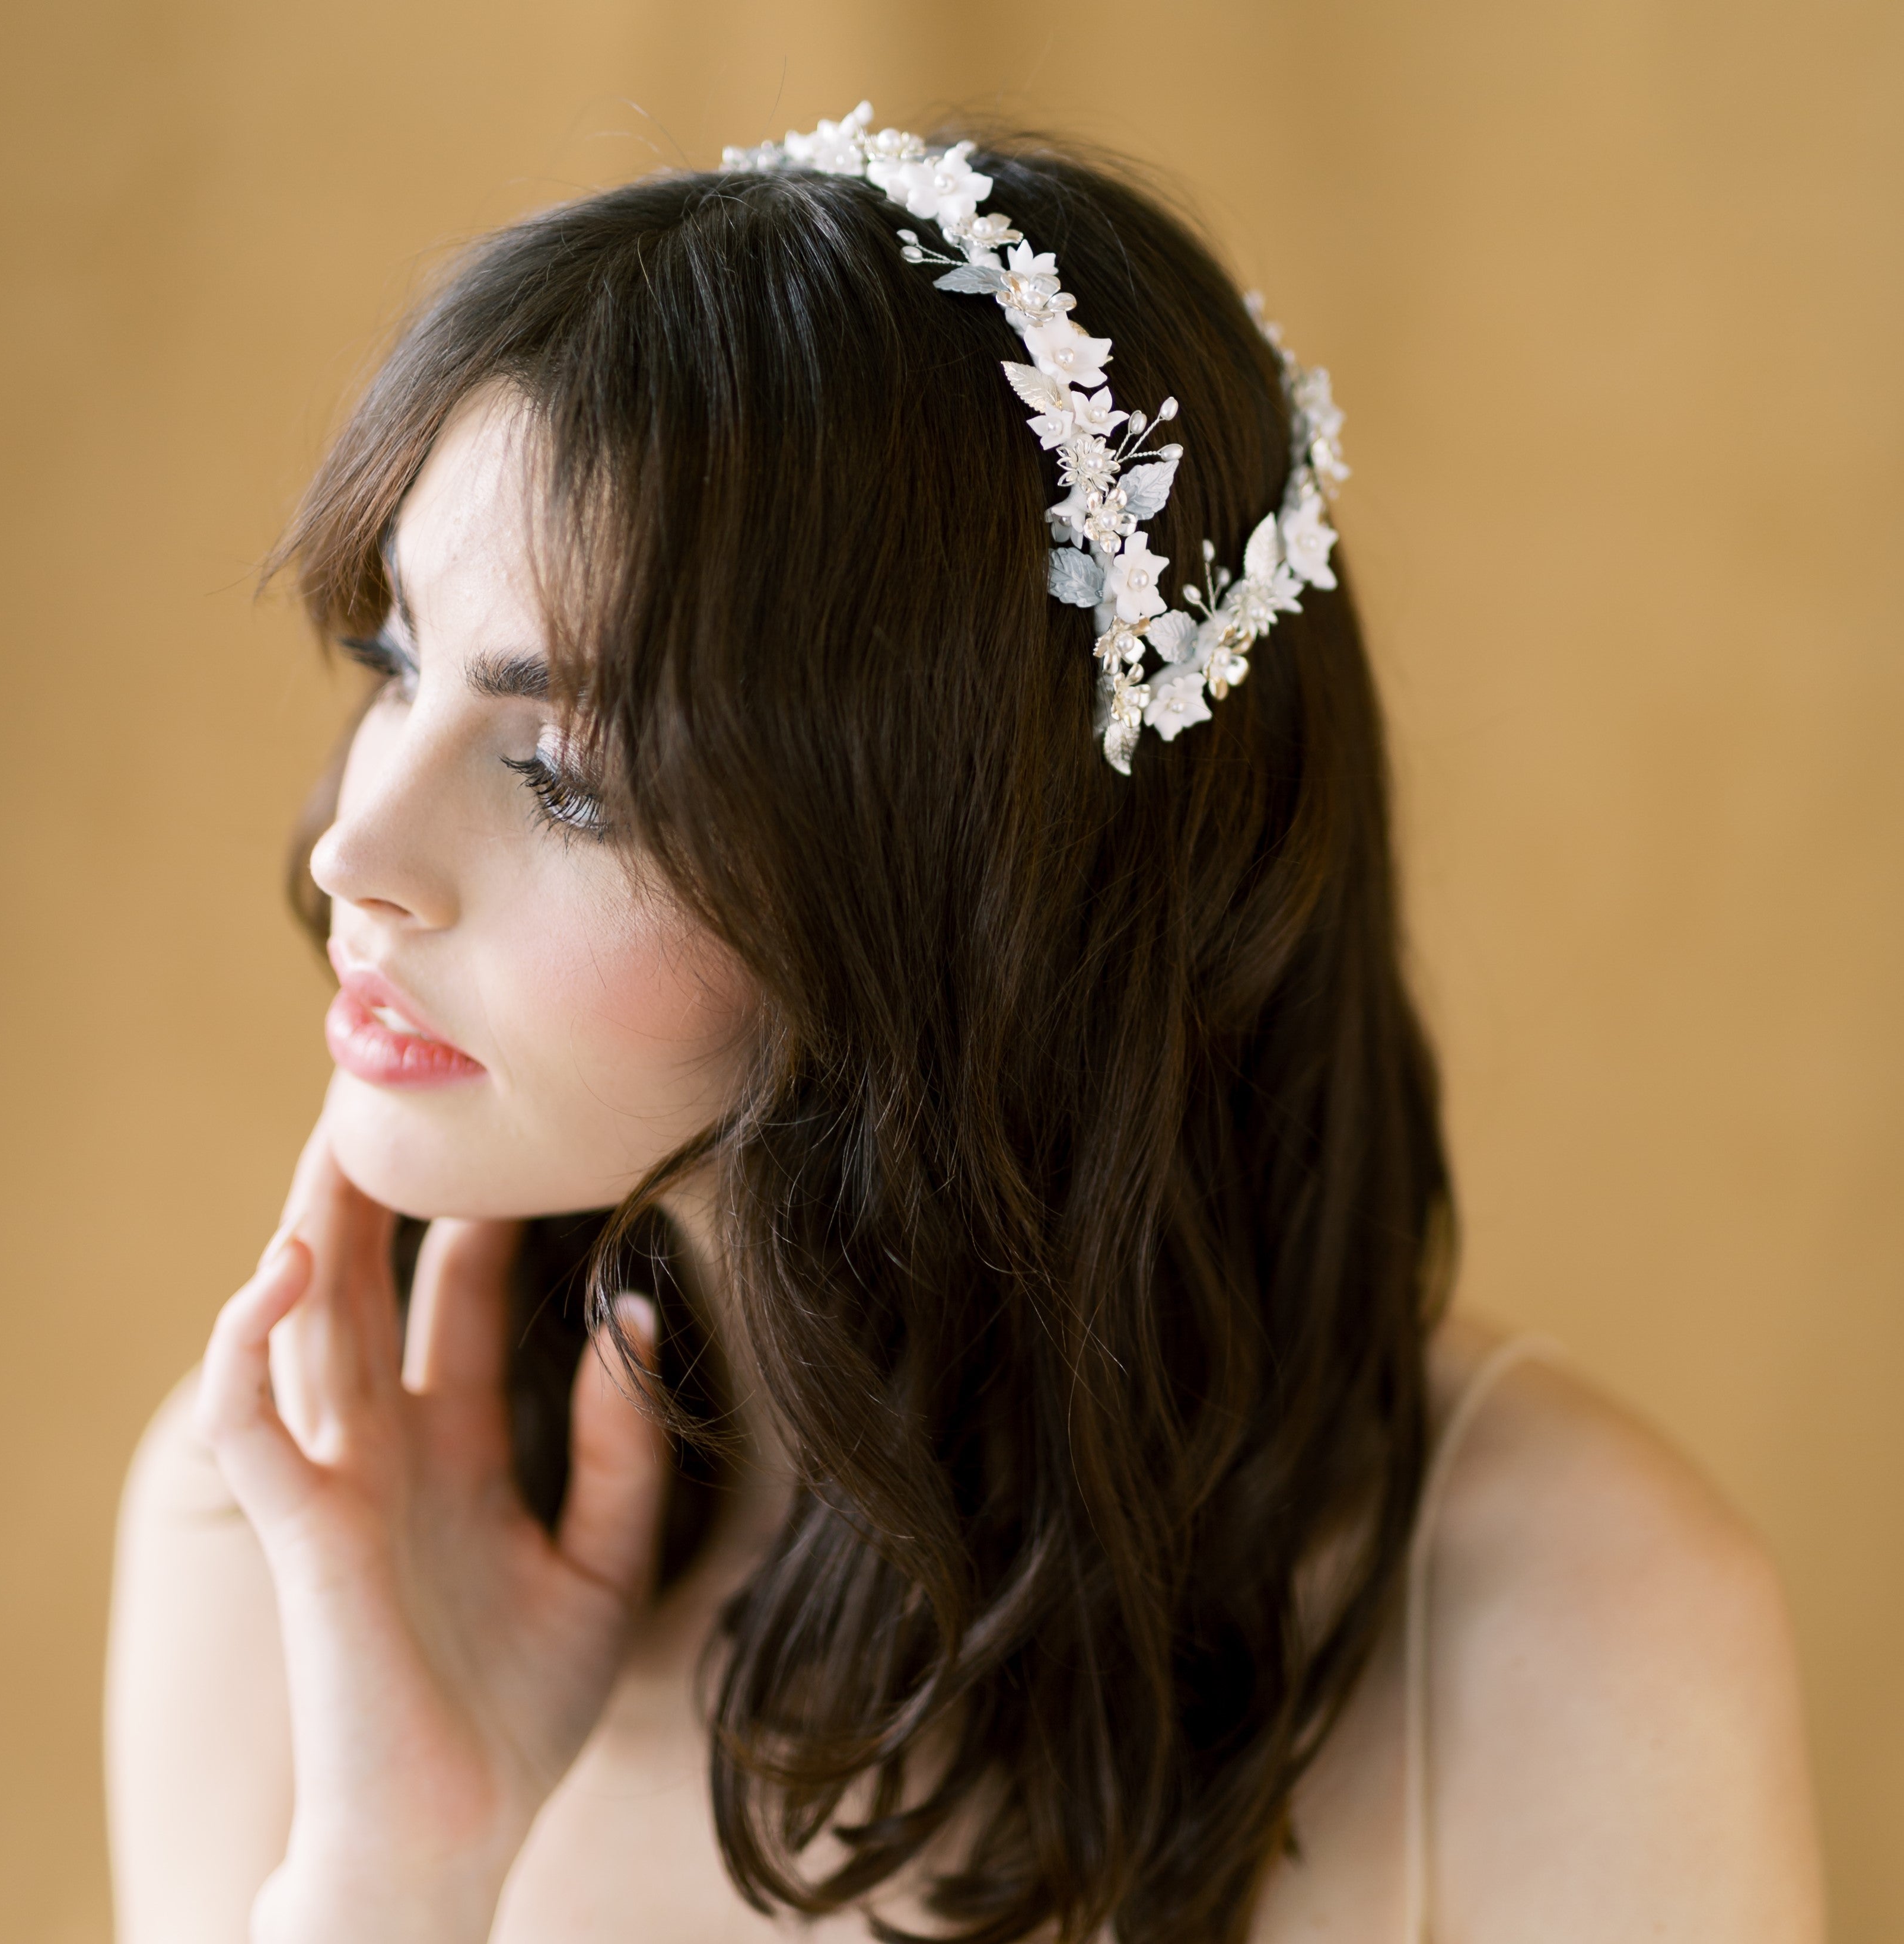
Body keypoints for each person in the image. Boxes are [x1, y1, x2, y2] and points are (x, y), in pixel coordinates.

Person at [105, 110, 1824, 1944]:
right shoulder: (281, 1531)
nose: (359, 847)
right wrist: (391, 1877)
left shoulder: (1564, 1632)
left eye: (566, 771)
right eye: (396, 669)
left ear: (969, 878)